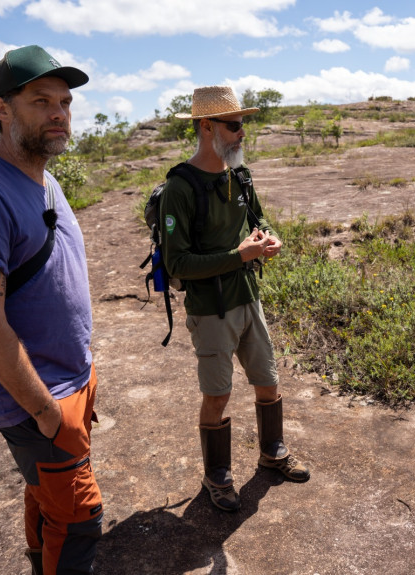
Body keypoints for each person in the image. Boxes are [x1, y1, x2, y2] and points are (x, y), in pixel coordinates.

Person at [0, 45, 102, 574]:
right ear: (0, 109)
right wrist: (48, 413)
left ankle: (38, 560)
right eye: (40, 101)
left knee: (45, 496)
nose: (59, 113)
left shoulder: (45, 177)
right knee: (80, 522)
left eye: (65, 102)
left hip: (70, 380)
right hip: (38, 398)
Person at [160, 86, 310, 512]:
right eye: (235, 125)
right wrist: (239, 255)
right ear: (207, 127)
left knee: (268, 380)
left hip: (248, 297)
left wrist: (267, 235)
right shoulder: (180, 188)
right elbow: (179, 264)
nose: (242, 133)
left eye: (243, 124)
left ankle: (273, 452)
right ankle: (217, 477)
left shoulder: (240, 176)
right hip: (211, 310)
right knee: (218, 395)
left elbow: (256, 216)